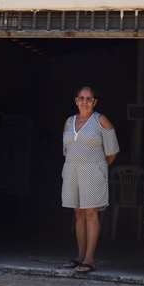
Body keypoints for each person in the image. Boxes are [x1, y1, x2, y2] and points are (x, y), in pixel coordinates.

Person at [61, 86, 119, 273]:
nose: (84, 102)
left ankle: (90, 259)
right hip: (71, 170)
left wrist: (97, 167)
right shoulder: (69, 122)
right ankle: (80, 256)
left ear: (94, 102)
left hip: (93, 171)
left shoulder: (100, 120)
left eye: (89, 99)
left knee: (91, 214)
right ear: (76, 101)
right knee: (78, 213)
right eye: (81, 98)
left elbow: (112, 151)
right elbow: (66, 150)